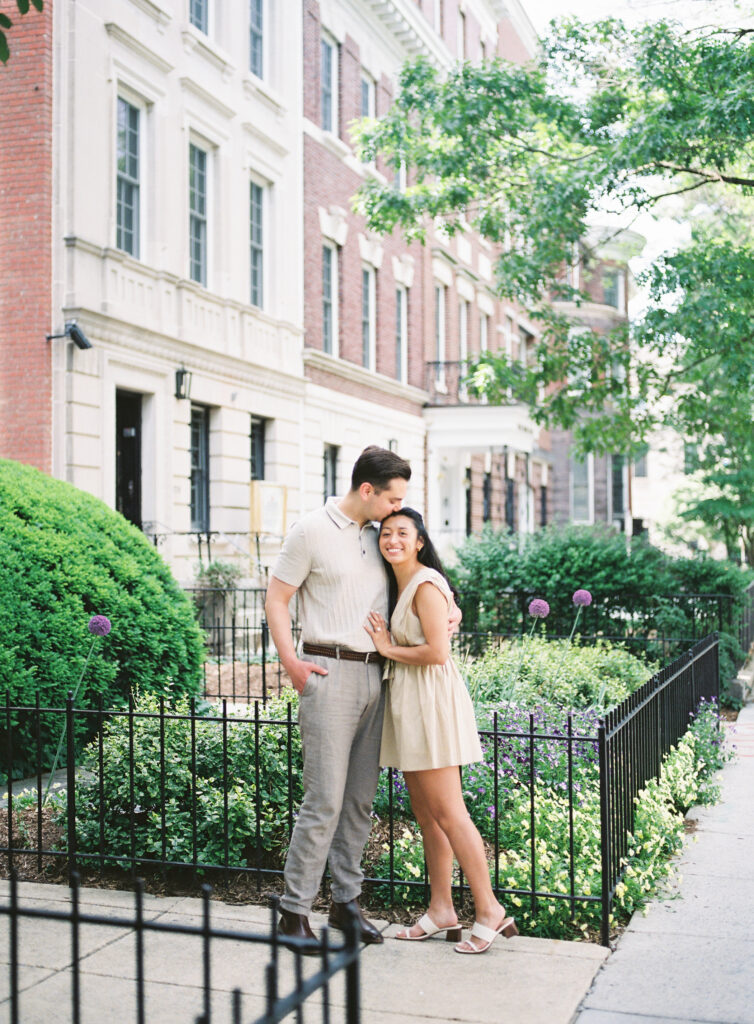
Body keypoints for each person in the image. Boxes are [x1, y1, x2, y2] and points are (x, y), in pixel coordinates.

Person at [264, 446, 413, 948]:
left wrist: (448, 607)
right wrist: (291, 662)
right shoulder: (310, 530)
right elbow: (277, 598)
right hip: (328, 672)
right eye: (392, 499)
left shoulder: (381, 534)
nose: (397, 508)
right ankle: (294, 914)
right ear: (366, 490)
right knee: (324, 801)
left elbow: (418, 571)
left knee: (358, 803)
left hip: (377, 675)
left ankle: (346, 906)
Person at [363, 507, 518, 955]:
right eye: (386, 533)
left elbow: (436, 652)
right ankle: (441, 910)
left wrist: (387, 648)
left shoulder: (426, 584)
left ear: (419, 542)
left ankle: (489, 908)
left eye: (402, 533)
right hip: (409, 704)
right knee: (427, 815)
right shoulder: (400, 583)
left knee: (450, 813)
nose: (392, 540)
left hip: (430, 703)